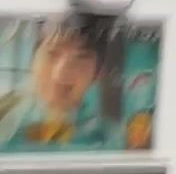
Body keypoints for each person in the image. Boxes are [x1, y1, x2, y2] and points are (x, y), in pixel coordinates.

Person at [0, 16, 123, 151]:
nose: (61, 74)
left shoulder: (108, 139)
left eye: (80, 57)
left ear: (97, 74)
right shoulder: (5, 115)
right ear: (32, 61)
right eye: (52, 53)